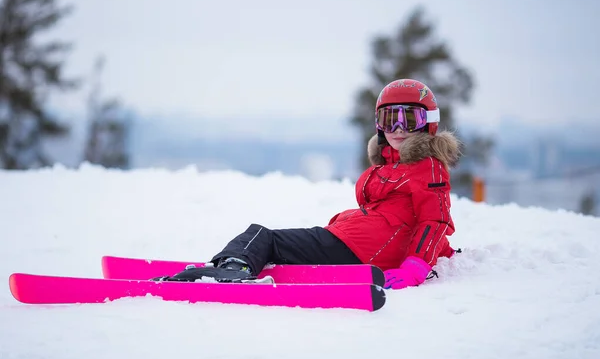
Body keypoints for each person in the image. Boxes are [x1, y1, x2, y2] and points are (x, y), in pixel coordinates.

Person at [164, 79, 461, 290]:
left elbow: (434, 218)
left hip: (360, 248)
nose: (397, 129)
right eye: (388, 118)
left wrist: (417, 265)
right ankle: (241, 265)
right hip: (362, 245)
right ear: (378, 123)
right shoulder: (395, 166)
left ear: (428, 123)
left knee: (264, 237)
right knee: (279, 248)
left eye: (408, 119)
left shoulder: (427, 166)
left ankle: (232, 269)